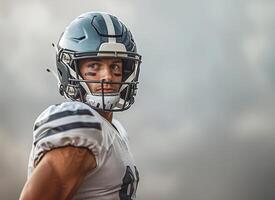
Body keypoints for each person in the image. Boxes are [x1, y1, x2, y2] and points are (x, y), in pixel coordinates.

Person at [19, 11, 142, 200]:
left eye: (115, 66)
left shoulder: (114, 129)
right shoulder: (80, 124)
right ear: (71, 71)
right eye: (94, 66)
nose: (107, 76)